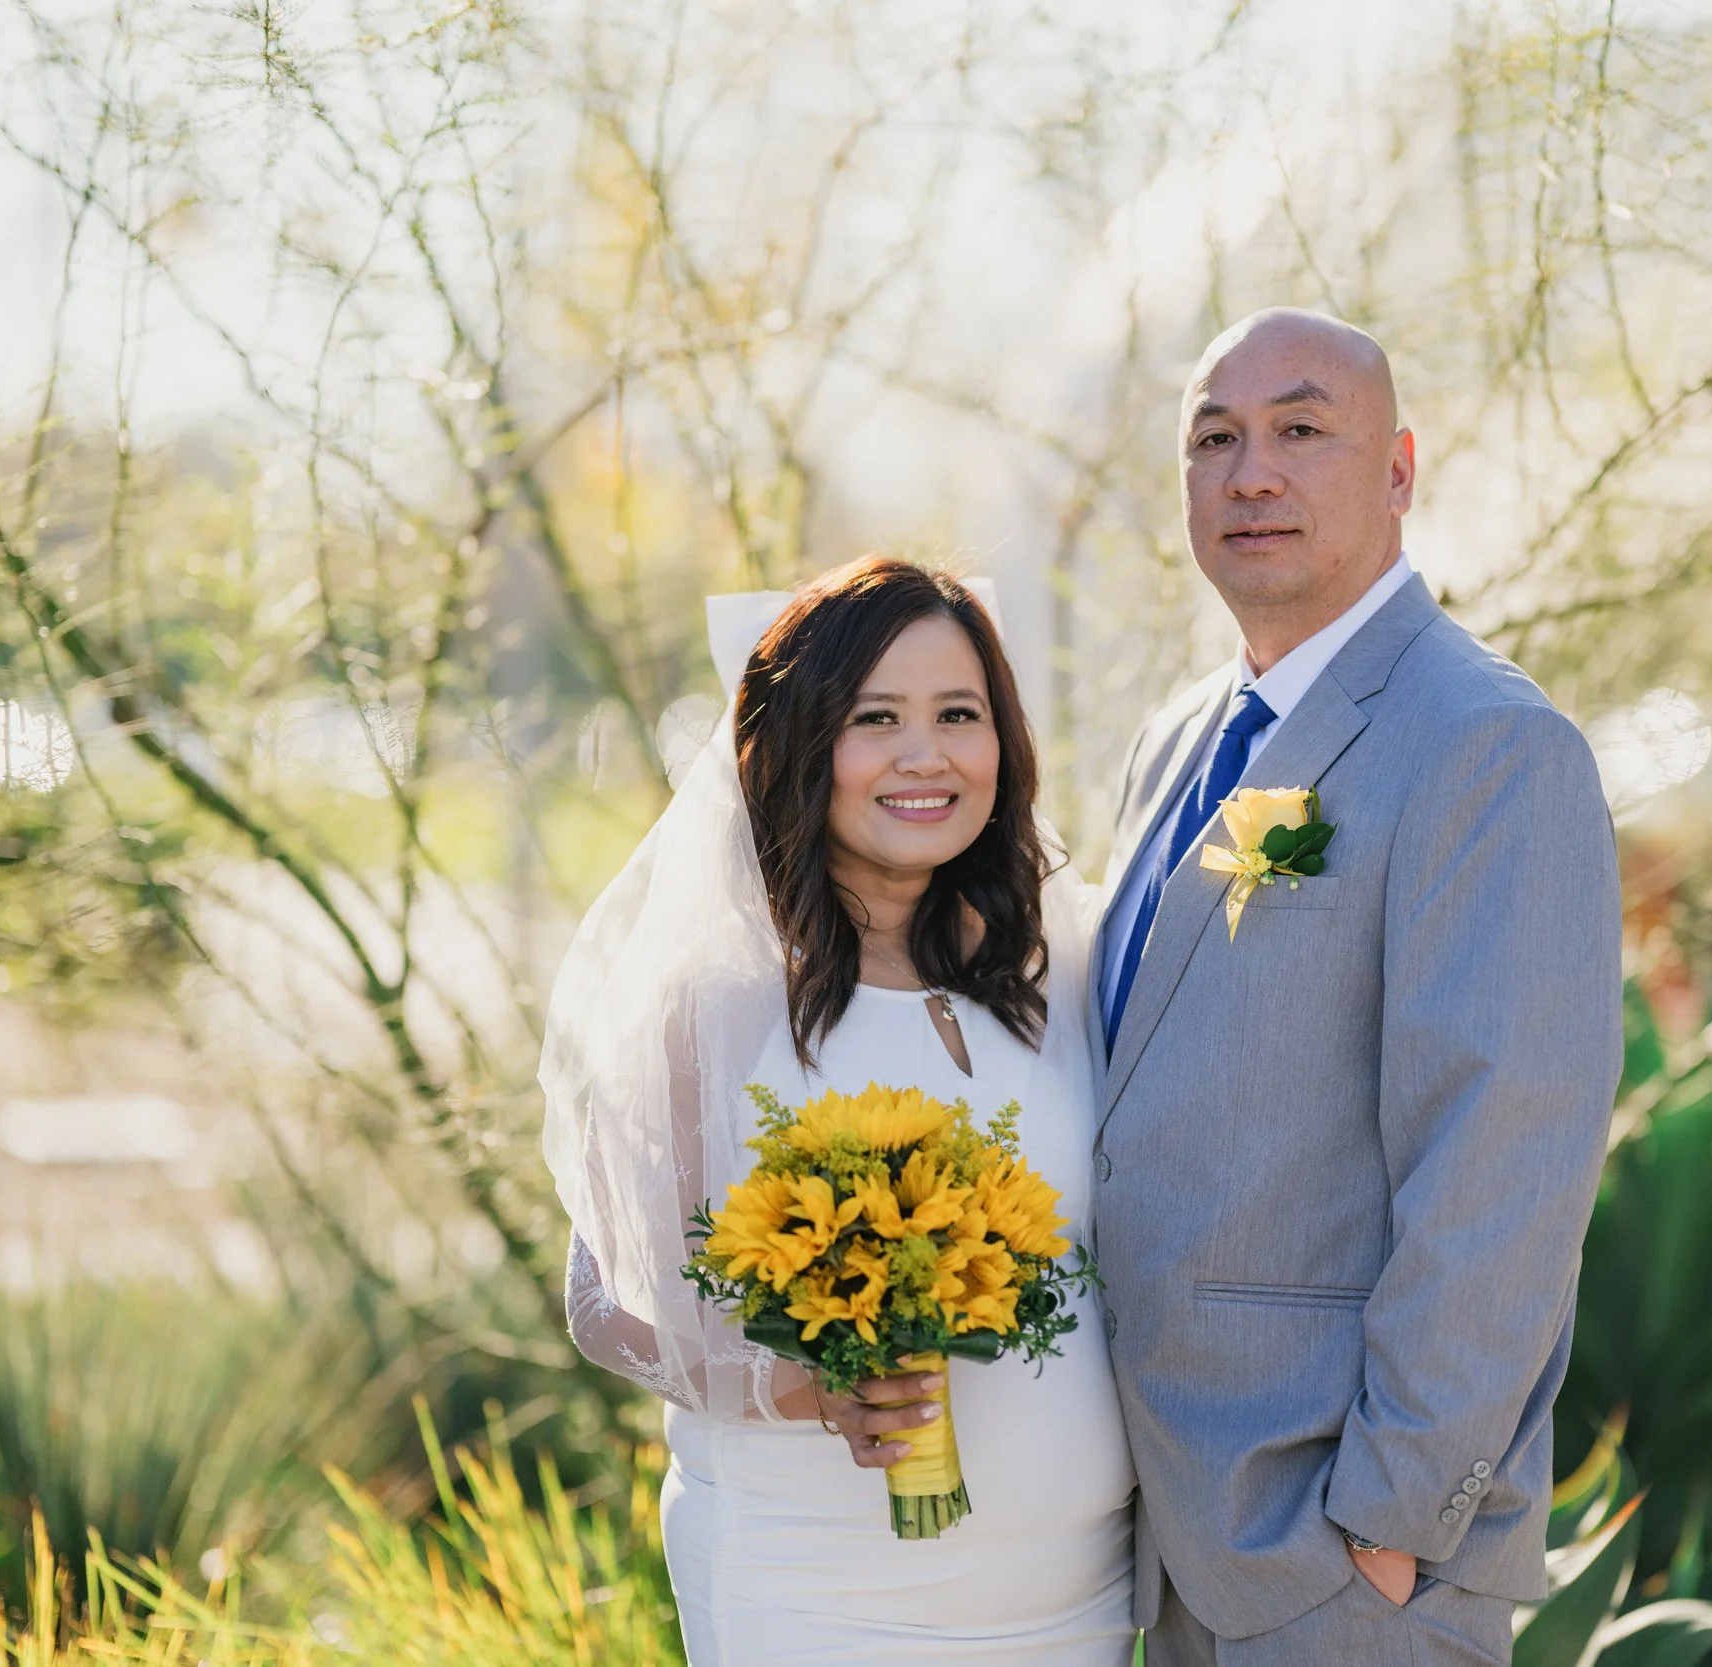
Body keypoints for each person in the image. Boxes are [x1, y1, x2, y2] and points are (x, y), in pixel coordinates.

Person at [1091, 308, 1623, 1664]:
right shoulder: (1176, 741)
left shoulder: (1489, 744)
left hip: (1346, 1557)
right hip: (1161, 1535)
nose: (1250, 470)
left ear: (1398, 467)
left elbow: (1504, 1159)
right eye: (1214, 437)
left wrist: (1392, 1518)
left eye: (1300, 427)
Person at [539, 557, 1135, 1664]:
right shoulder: (715, 1000)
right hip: (818, 1587)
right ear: (799, 745)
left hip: (1075, 1595)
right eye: (876, 718)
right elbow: (601, 1294)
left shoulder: (1067, 959)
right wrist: (811, 1385)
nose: (926, 754)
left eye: (960, 713)